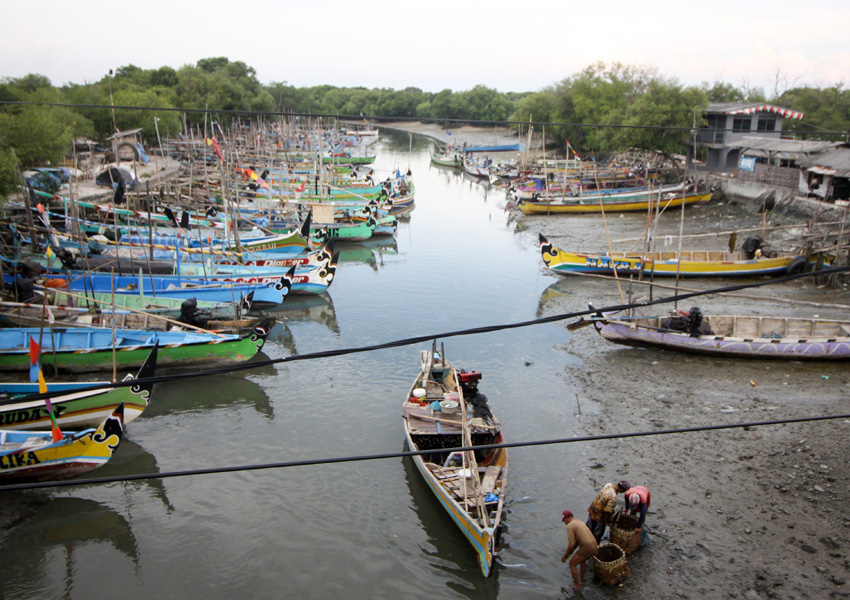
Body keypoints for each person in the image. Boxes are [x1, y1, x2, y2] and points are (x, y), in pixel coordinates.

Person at [560, 510, 598, 591]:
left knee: (572, 564)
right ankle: (581, 579)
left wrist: (566, 555)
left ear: (567, 518)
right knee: (581, 560)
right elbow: (576, 543)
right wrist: (570, 552)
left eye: (564, 520)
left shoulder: (570, 526)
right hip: (595, 546)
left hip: (587, 547)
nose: (564, 523)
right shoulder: (579, 522)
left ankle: (577, 586)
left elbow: (571, 544)